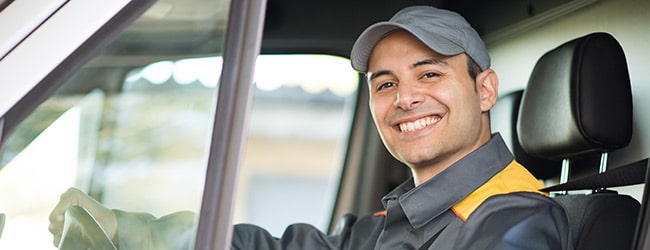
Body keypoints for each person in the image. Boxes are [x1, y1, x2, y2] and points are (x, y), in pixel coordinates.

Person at [49, 5, 571, 249]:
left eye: (429, 73)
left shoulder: (513, 221)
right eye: (384, 84)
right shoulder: (404, 220)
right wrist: (138, 233)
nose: (405, 98)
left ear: (484, 90)